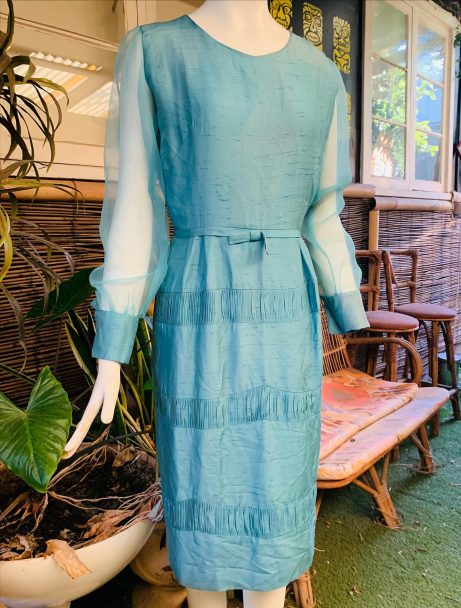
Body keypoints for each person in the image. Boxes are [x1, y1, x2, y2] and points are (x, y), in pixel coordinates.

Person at [63, 2, 370, 607]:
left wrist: (345, 300)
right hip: (199, 301)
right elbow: (137, 203)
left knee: (275, 479)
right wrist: (114, 341)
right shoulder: (157, 51)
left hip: (285, 309)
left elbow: (321, 212)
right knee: (203, 477)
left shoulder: (319, 74)